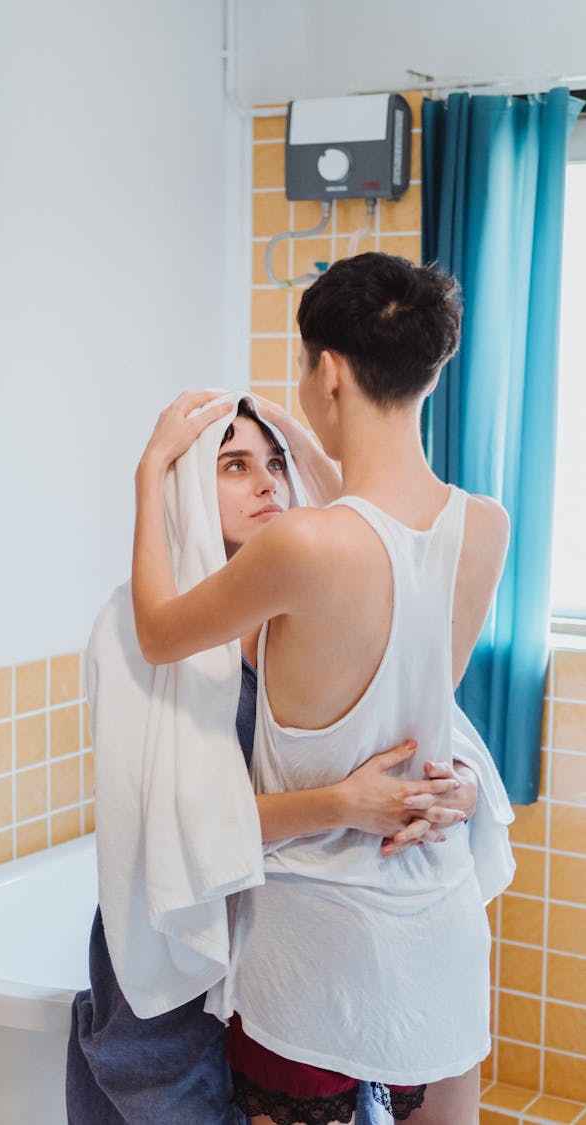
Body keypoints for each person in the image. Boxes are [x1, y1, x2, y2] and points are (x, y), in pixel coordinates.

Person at [130, 254, 513, 1124]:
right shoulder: (483, 526)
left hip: (316, 959)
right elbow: (389, 543)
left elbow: (157, 628)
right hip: (440, 933)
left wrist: (151, 472)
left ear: (326, 372)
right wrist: (311, 442)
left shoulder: (300, 547)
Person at [67, 394, 485, 1125]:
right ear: (189, 483)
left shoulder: (310, 600)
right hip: (185, 945)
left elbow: (435, 730)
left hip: (289, 941)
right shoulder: (133, 632)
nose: (267, 483)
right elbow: (173, 825)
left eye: (276, 464)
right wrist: (342, 803)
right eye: (234, 464)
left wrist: (461, 787)